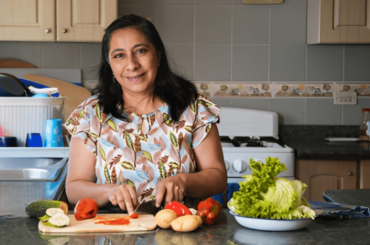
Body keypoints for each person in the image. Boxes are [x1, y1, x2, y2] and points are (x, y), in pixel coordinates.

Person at [64, 14, 227, 215]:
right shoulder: (90, 114)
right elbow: (73, 188)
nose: (132, 65)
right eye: (119, 55)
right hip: (114, 232)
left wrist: (183, 181)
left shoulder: (193, 107)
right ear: (110, 64)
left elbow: (218, 178)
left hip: (181, 230)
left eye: (140, 51)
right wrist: (110, 191)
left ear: (158, 55)